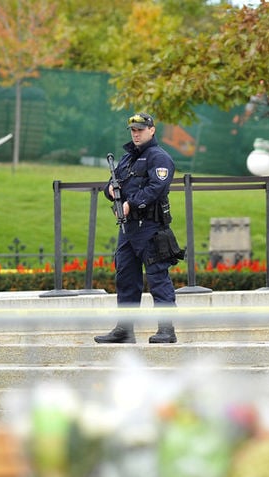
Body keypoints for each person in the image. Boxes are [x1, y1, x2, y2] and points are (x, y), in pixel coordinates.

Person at [94, 112, 183, 344]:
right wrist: (110, 191)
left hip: (151, 227)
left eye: (140, 130)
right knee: (125, 277)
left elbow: (156, 188)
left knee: (157, 278)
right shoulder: (126, 159)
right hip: (128, 229)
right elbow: (114, 184)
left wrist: (130, 203)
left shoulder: (159, 158)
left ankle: (166, 329)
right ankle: (124, 329)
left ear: (152, 130)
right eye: (133, 130)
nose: (136, 134)